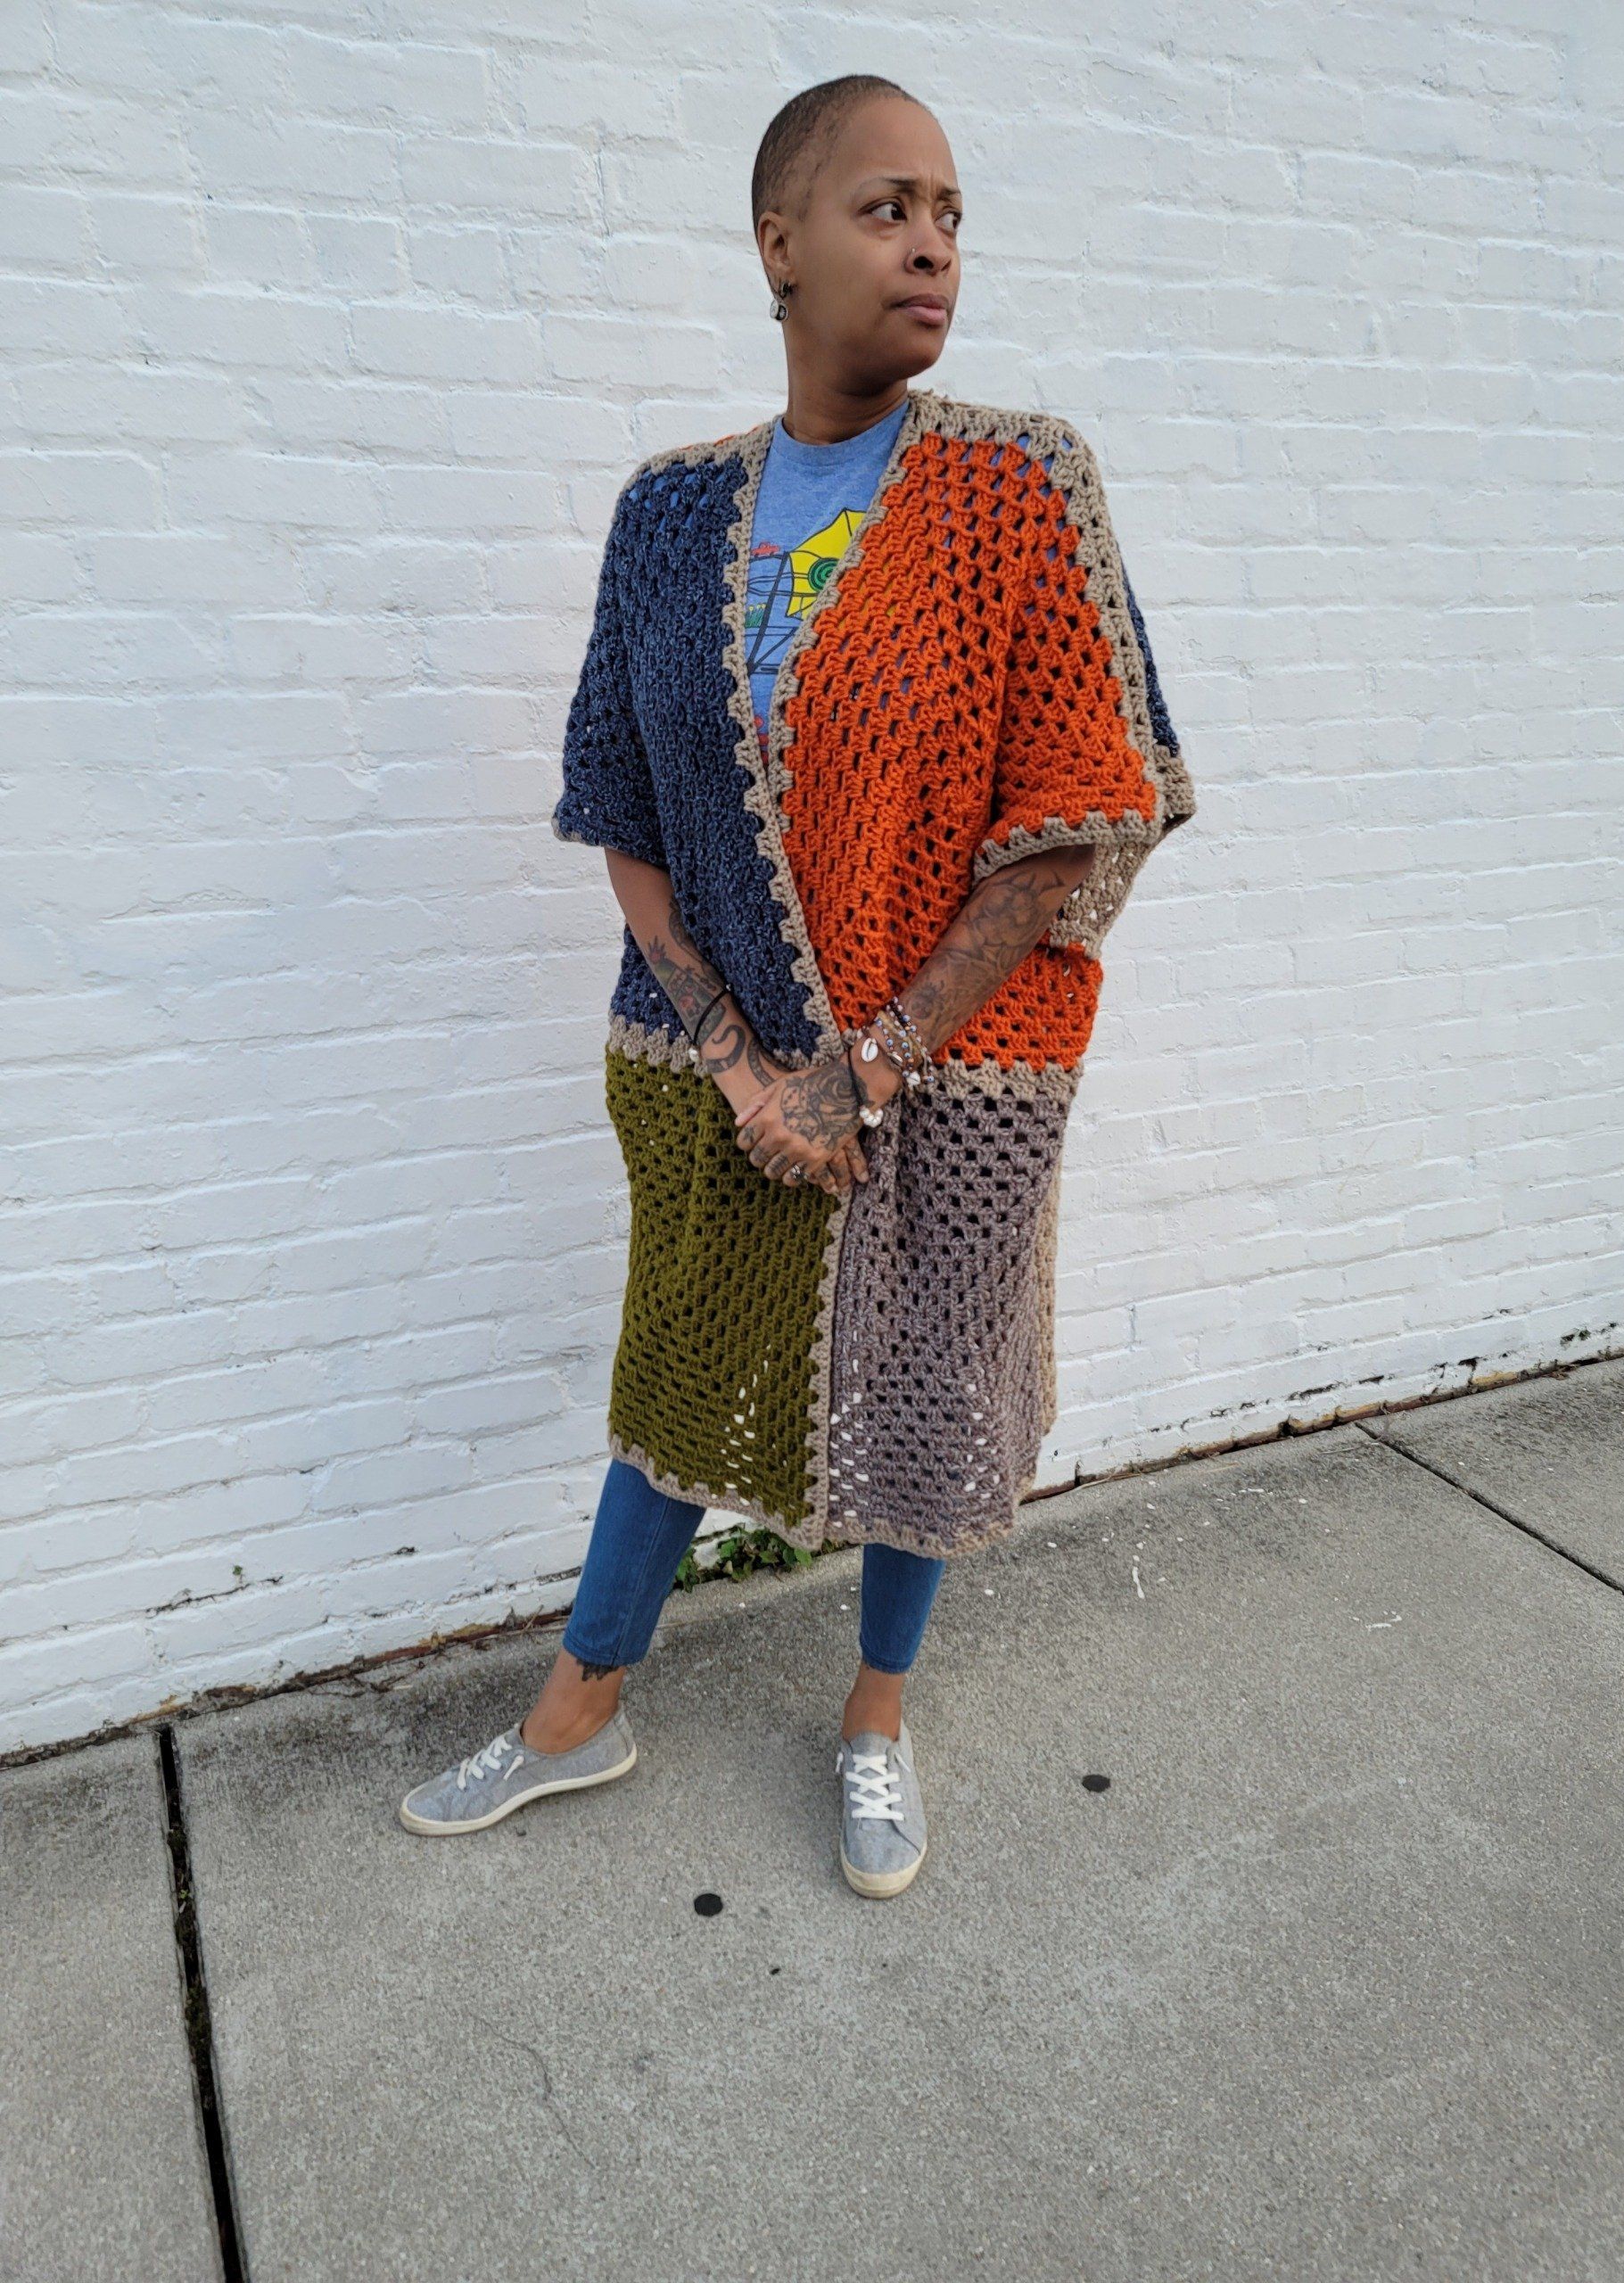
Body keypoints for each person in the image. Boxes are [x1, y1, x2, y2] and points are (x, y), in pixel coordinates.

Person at [400, 74, 1194, 1898]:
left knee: (926, 1381)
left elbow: (1074, 815)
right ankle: (580, 1708)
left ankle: (875, 1719)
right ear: (779, 242)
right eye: (883, 204)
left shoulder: (1017, 487)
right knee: (675, 1368)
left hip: (958, 1067)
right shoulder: (669, 517)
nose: (930, 240)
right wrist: (749, 1063)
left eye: (952, 211)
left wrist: (873, 1065)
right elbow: (625, 806)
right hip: (708, 1065)